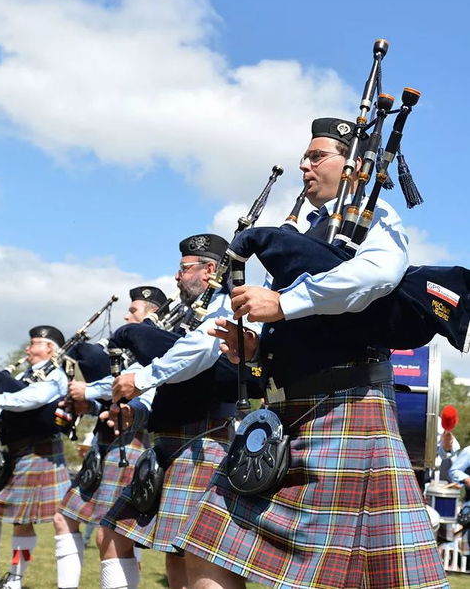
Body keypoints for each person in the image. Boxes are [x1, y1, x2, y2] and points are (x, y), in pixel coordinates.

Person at [171, 118, 449, 588]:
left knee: (361, 578)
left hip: (348, 409)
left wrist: (283, 302)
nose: (305, 164)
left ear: (354, 166)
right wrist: (257, 349)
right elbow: (312, 326)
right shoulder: (314, 233)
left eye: (317, 156)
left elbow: (378, 276)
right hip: (288, 411)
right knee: (205, 546)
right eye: (306, 156)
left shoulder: (377, 219)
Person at [99, 234, 245, 589]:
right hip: (170, 440)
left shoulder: (225, 308)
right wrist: (137, 412)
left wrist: (142, 376)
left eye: (184, 269)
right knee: (119, 537)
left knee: (201, 559)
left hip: (205, 439)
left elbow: (197, 357)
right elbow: (168, 382)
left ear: (209, 270)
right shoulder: (184, 317)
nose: (177, 277)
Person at [53, 286, 168, 589]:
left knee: (115, 533)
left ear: (151, 314)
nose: (126, 316)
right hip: (107, 444)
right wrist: (88, 403)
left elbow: (134, 383)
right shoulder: (128, 351)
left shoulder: (153, 345)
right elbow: (113, 391)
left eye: (133, 311)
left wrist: (88, 390)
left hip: (132, 444)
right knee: (67, 518)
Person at [0, 326, 71, 589]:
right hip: (14, 452)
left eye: (34, 343)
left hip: (40, 451)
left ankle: (14, 581)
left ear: (51, 349)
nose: (28, 349)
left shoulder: (56, 377)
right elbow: (10, 407)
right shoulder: (24, 374)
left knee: (23, 520)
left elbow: (32, 399)